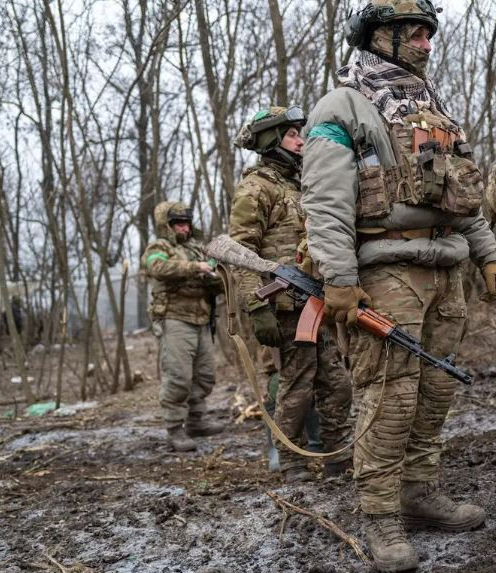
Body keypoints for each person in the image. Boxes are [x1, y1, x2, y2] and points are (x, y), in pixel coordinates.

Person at [300, 0, 496, 573]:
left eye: (428, 33)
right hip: (385, 273)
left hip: (445, 269)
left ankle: (417, 493)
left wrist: (487, 253)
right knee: (390, 396)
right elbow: (325, 203)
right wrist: (340, 280)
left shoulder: (430, 110)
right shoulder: (343, 107)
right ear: (377, 37)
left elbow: (462, 194)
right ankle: (381, 515)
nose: (425, 43)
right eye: (413, 33)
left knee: (435, 392)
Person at [230, 106, 353, 483]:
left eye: (301, 133)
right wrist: (256, 306)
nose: (301, 141)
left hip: (317, 301)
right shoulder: (256, 188)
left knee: (337, 384)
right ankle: (292, 461)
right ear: (271, 141)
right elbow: (239, 252)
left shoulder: (300, 184)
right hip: (285, 306)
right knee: (296, 387)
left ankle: (337, 456)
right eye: (292, 135)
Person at [141, 201, 225, 451]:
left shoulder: (197, 249)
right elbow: (158, 267)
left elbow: (217, 280)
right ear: (167, 225)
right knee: (178, 376)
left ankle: (196, 420)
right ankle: (175, 428)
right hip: (174, 319)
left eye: (186, 223)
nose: (184, 228)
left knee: (205, 375)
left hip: (202, 319)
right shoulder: (159, 247)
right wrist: (195, 268)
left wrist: (216, 277)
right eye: (178, 223)